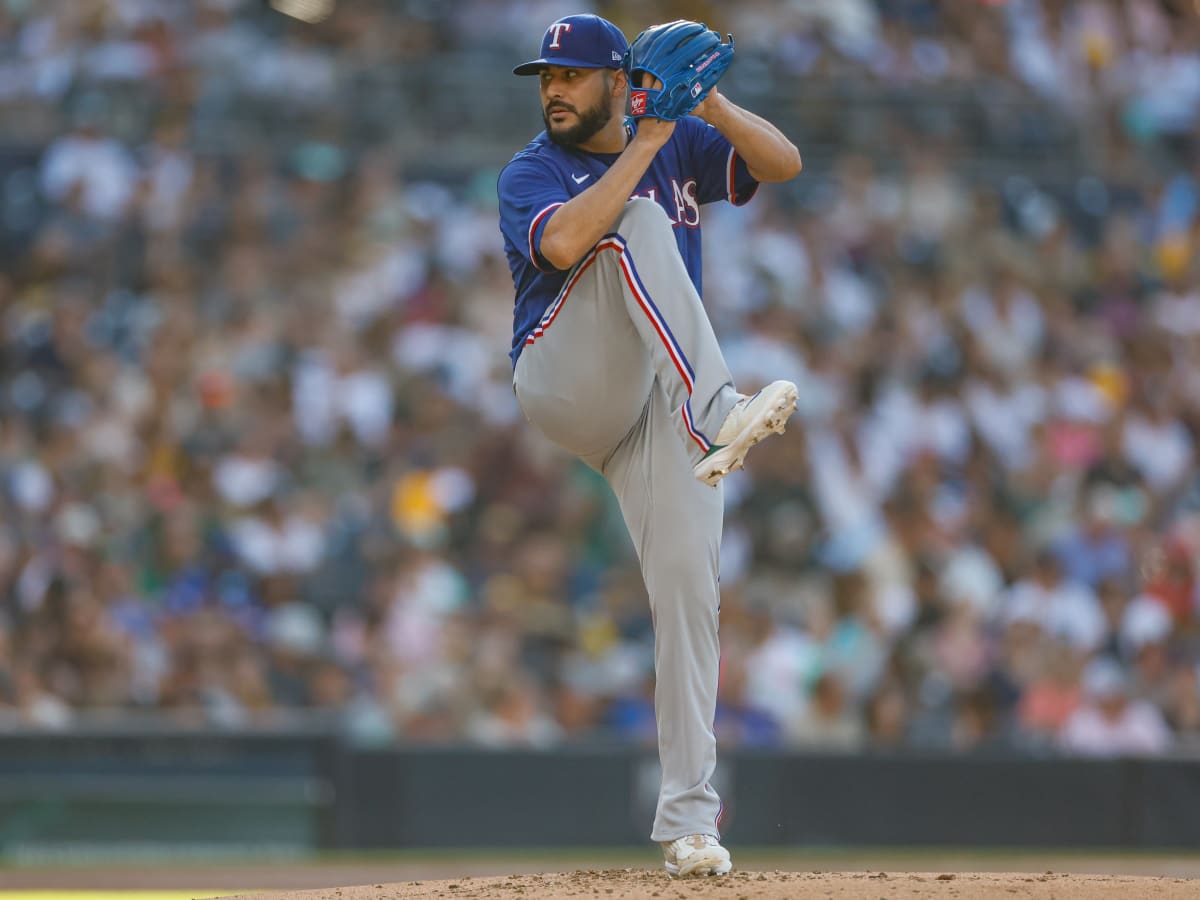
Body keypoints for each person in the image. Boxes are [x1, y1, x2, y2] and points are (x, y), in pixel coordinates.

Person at [497, 14, 802, 876]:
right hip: (568, 379)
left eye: (570, 75)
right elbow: (560, 242)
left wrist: (711, 102)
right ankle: (718, 412)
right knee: (630, 221)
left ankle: (691, 825)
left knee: (688, 594)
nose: (553, 89)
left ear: (615, 80)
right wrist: (651, 140)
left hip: (656, 405)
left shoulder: (678, 141)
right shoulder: (534, 168)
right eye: (545, 78)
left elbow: (783, 163)